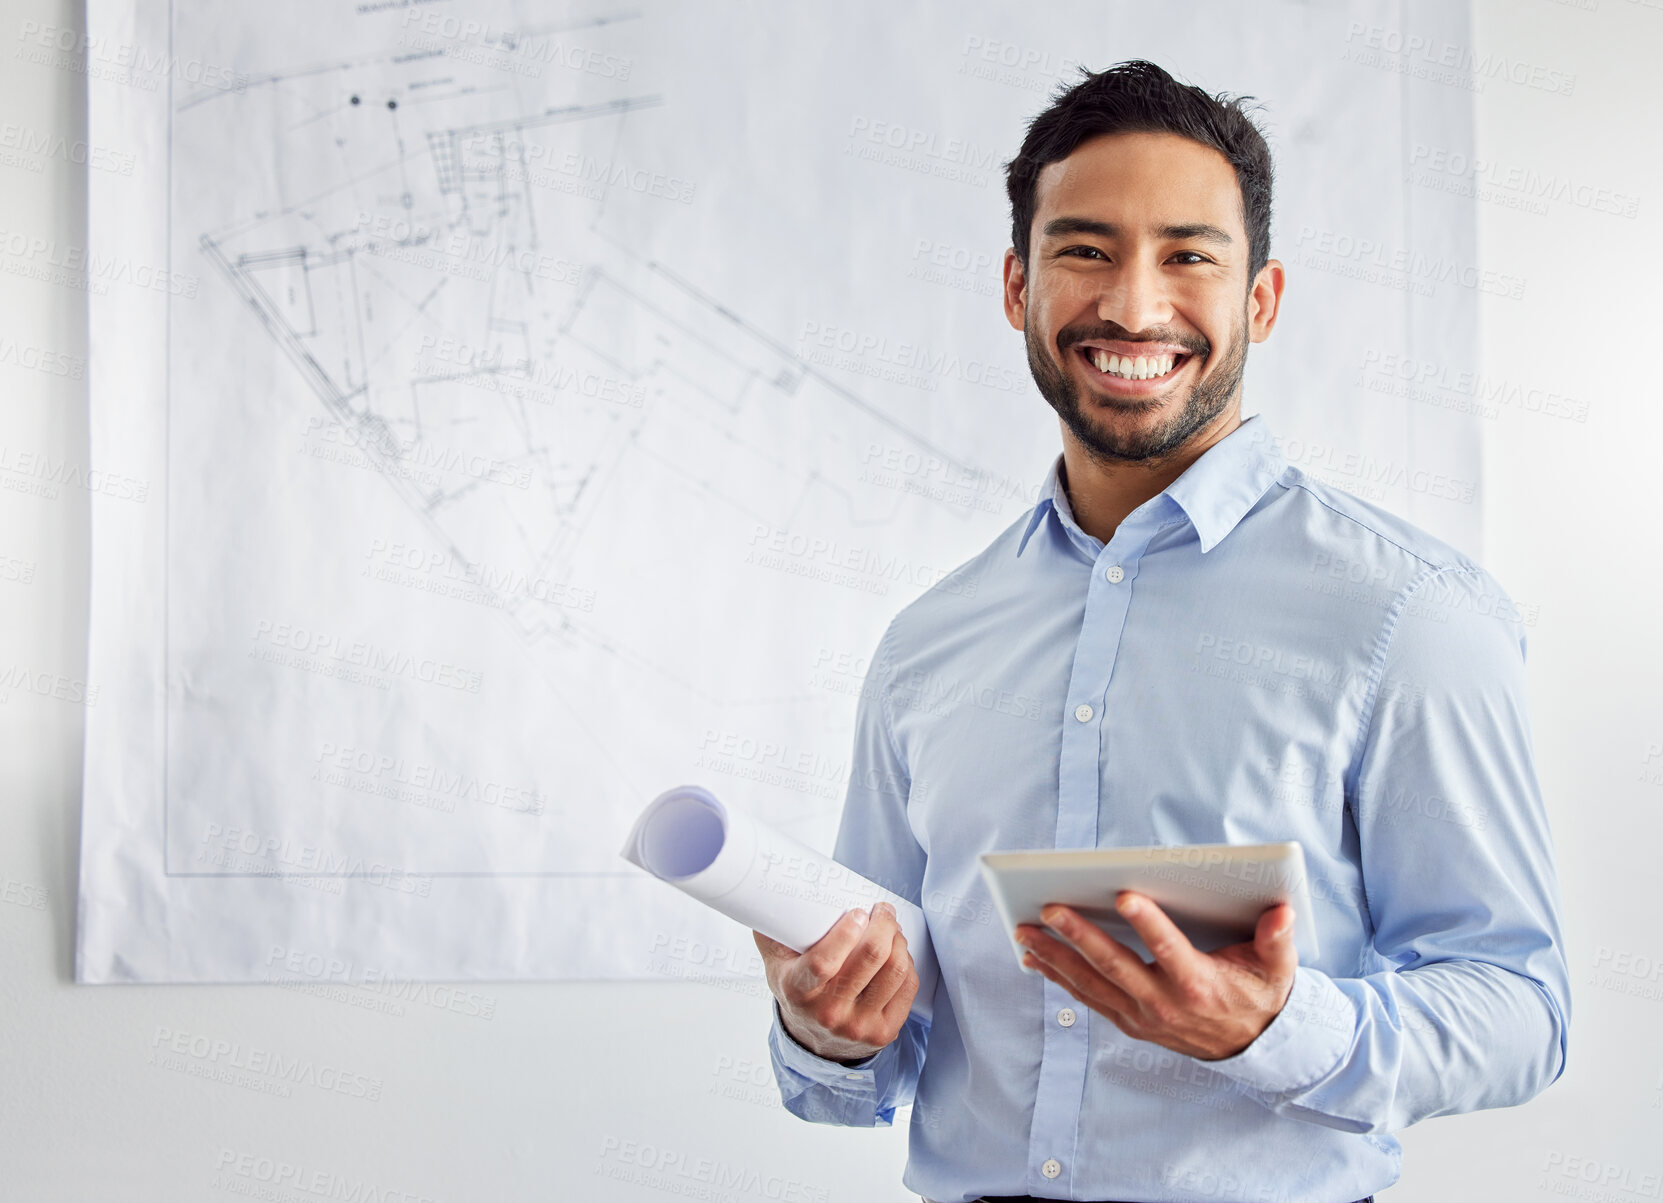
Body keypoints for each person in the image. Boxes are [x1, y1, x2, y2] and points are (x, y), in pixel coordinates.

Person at [753, 59, 1569, 1203]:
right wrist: (827, 1030)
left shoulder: (1412, 614)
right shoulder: (928, 645)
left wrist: (1275, 1029)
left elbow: (1519, 1009)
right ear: (1014, 287)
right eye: (1083, 250)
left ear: (1261, 300)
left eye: (1189, 255)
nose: (1133, 307)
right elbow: (873, 1053)